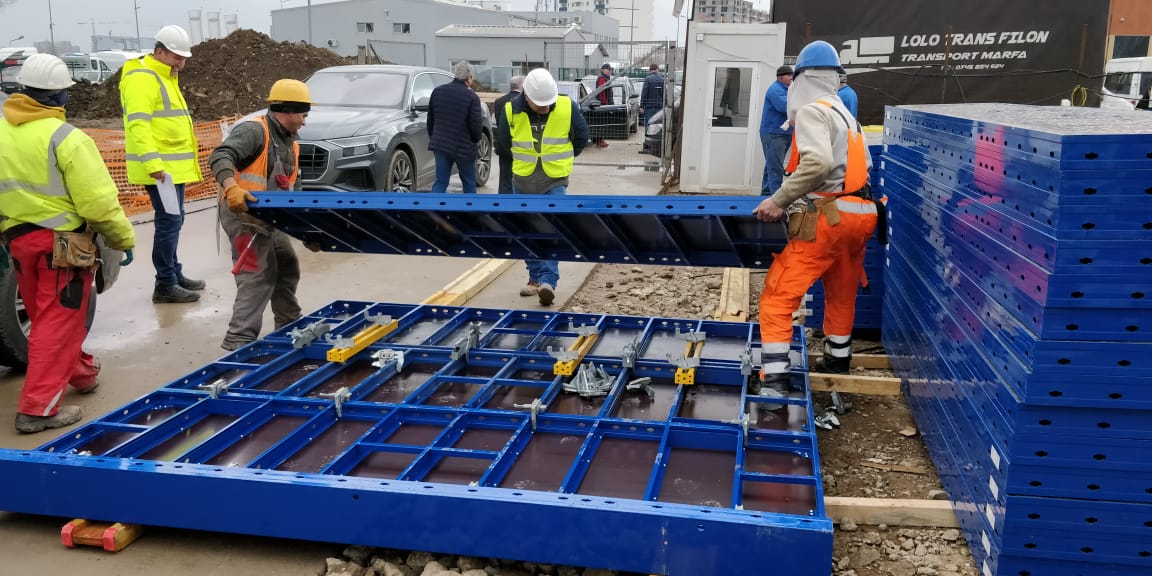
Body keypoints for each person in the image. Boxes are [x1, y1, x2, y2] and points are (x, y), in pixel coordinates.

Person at [0, 54, 136, 433]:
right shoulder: (67, 138)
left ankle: (81, 374)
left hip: (19, 244)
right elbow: (98, 204)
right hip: (62, 249)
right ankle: (37, 410)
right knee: (57, 323)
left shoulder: (2, 134)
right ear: (60, 95)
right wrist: (122, 239)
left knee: (48, 319)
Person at [752, 41, 881, 394]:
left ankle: (774, 381)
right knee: (841, 292)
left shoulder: (813, 111)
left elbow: (818, 163)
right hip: (860, 218)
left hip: (828, 218)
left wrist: (779, 200)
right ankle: (837, 362)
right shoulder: (847, 116)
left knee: (778, 295)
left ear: (802, 79)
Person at [209, 79, 312, 351]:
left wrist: (306, 231)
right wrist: (231, 187)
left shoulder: (291, 144)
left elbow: (294, 193)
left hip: (269, 216)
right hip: (242, 214)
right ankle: (239, 340)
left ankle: (289, 324)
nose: (304, 121)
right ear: (288, 110)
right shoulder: (255, 131)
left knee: (287, 265)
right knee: (257, 275)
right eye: (303, 114)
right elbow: (221, 156)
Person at [119, 24, 204, 304]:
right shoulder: (143, 78)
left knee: (174, 220)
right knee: (169, 222)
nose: (181, 64)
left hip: (170, 168)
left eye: (184, 58)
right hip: (160, 170)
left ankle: (174, 273)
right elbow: (138, 126)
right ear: (159, 52)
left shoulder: (164, 75)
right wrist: (153, 163)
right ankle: (165, 283)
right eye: (177, 57)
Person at [496, 68, 589, 306]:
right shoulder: (510, 110)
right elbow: (504, 144)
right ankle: (534, 278)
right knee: (526, 231)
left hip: (554, 180)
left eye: (549, 103)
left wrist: (563, 159)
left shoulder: (567, 107)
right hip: (523, 180)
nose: (546, 108)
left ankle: (548, 281)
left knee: (553, 229)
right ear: (527, 96)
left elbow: (581, 138)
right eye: (541, 104)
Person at [427, 61, 484, 194]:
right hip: (464, 148)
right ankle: (470, 208)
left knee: (440, 183)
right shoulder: (472, 97)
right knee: (469, 183)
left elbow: (430, 121)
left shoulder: (438, 92)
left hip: (441, 146)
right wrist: (475, 141)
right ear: (469, 77)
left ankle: (434, 207)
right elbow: (476, 127)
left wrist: (436, 139)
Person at [759, 65, 793, 196]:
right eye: (789, 75)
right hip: (774, 133)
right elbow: (784, 107)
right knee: (775, 166)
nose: (792, 78)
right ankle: (776, 198)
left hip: (782, 133)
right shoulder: (776, 90)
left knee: (772, 164)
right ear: (780, 77)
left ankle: (767, 193)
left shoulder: (787, 90)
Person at [493, 75, 525, 194]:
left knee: (504, 178)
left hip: (503, 146)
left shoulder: (499, 102)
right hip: (521, 146)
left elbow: (498, 124)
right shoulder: (524, 102)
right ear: (522, 86)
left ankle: (503, 203)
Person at [592, 62, 613, 148]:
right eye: (608, 69)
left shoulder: (606, 78)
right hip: (602, 104)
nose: (610, 71)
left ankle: (600, 140)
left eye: (610, 70)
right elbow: (602, 92)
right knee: (602, 123)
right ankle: (600, 140)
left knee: (602, 123)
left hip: (603, 104)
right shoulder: (602, 78)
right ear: (604, 70)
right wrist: (605, 104)